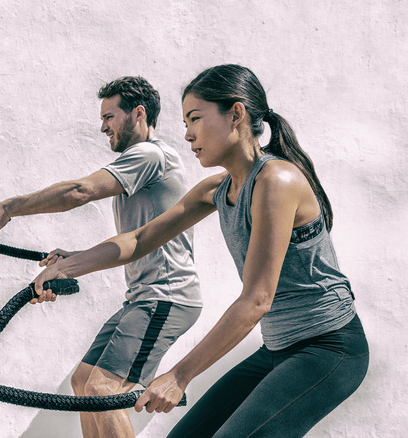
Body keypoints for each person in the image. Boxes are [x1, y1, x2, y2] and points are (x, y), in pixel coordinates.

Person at [32, 64, 369, 437]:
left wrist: (180, 375)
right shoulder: (216, 190)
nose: (188, 134)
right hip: (277, 349)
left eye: (195, 118)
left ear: (236, 114)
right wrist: (68, 267)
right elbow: (140, 240)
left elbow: (257, 299)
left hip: (330, 350)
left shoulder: (277, 180)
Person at [0, 76, 203, 437]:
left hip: (167, 297)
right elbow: (136, 239)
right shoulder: (144, 164)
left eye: (109, 117)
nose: (102, 127)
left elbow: (80, 191)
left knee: (102, 390)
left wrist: (10, 207)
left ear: (138, 114)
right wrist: (73, 259)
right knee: (84, 383)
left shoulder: (149, 154)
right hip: (143, 298)